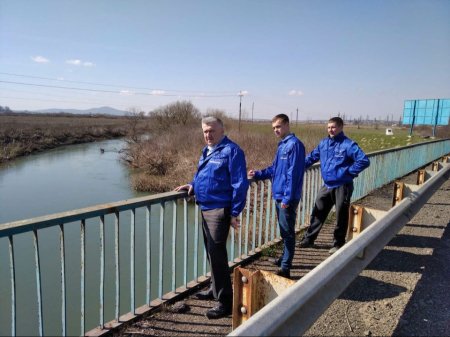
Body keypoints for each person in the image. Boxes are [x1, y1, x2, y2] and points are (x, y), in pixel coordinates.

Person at [174, 116, 249, 319]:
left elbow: (240, 185)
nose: (208, 135)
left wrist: (234, 212)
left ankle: (225, 302)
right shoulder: (207, 150)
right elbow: (203, 175)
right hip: (205, 207)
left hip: (219, 210)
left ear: (222, 130)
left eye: (212, 131)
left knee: (217, 255)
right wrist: (192, 185)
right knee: (210, 253)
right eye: (205, 131)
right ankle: (215, 289)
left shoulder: (232, 151)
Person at [297, 117, 370, 254]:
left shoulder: (348, 145)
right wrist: (297, 167)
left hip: (343, 185)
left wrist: (348, 172)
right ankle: (309, 239)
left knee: (341, 215)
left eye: (334, 127)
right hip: (327, 185)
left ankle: (338, 244)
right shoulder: (324, 143)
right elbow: (311, 158)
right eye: (329, 127)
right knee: (318, 211)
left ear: (341, 127)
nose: (330, 129)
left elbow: (364, 161)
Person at [248, 114, 305, 279]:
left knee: (287, 232)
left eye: (278, 127)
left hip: (287, 197)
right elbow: (275, 169)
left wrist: (287, 199)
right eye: (273, 128)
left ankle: (285, 267)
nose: (276, 130)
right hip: (279, 194)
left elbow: (293, 174)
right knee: (284, 231)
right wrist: (258, 174)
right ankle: (283, 259)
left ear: (287, 125)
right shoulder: (282, 145)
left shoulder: (294, 145)